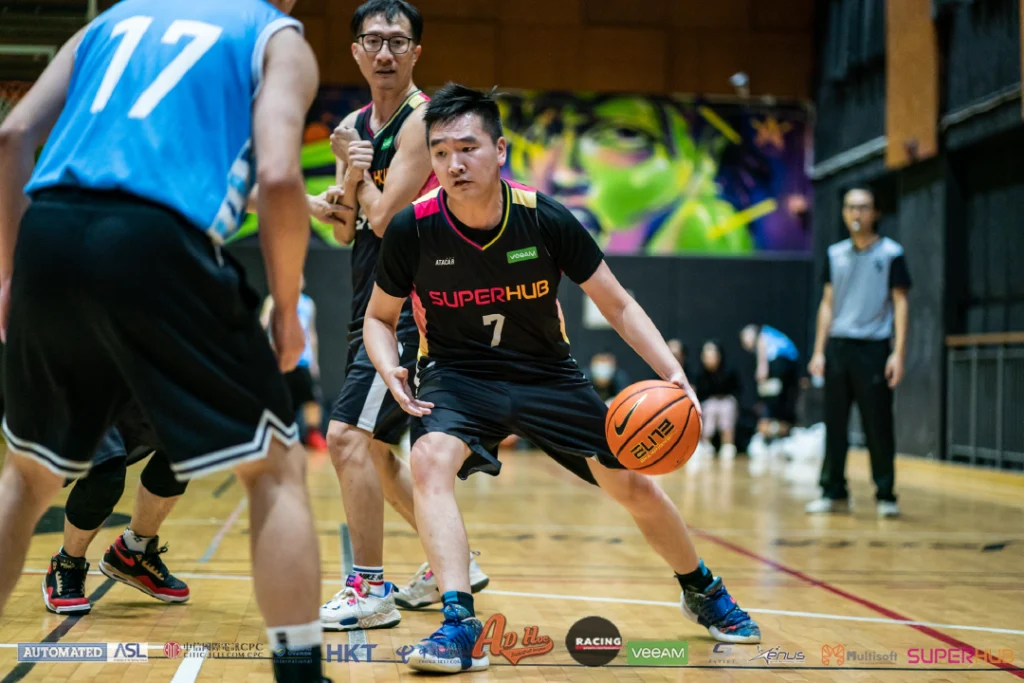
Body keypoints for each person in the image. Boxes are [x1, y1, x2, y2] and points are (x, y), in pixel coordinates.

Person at [363, 84, 761, 674]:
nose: (454, 164)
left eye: (468, 148)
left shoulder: (544, 218)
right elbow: (378, 317)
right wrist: (388, 365)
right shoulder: (412, 229)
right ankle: (459, 625)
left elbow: (618, 304)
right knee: (428, 461)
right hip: (457, 374)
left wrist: (672, 372)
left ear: (500, 150)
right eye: (441, 152)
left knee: (634, 487)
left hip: (547, 375)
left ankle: (701, 587)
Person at [0, 1, 327, 681]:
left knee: (28, 476)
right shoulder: (274, 36)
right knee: (274, 468)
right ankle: (301, 672)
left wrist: (8, 275)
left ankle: (128, 547)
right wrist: (287, 306)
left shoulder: (111, 18)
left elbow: (12, 135)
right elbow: (277, 176)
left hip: (49, 236)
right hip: (158, 242)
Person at [315, 0, 488, 631]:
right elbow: (349, 228)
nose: (384, 52)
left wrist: (359, 173)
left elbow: (387, 216)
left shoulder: (423, 120)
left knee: (347, 439)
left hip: (411, 307)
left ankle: (368, 588)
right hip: (368, 299)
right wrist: (335, 194)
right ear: (356, 51)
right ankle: (455, 564)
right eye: (373, 40)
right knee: (377, 454)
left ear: (416, 51)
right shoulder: (352, 126)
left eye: (397, 41)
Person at [806, 187, 910, 518]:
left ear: (875, 213)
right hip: (839, 346)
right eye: (851, 207)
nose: (856, 213)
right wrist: (819, 351)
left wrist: (898, 353)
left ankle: (885, 493)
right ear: (843, 212)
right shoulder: (835, 254)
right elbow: (827, 303)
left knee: (878, 425)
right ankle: (832, 490)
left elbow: (901, 303)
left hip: (874, 348)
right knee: (834, 424)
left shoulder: (891, 253)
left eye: (863, 207)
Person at [44, 405, 189, 614]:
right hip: (83, 393)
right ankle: (67, 563)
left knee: (184, 450)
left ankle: (134, 551)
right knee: (106, 471)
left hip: (136, 389)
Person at [262, 277, 327, 451]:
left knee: (311, 399)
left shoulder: (308, 303)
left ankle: (313, 433)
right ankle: (277, 435)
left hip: (303, 360)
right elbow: (264, 324)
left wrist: (314, 362)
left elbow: (311, 333)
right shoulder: (274, 298)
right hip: (280, 360)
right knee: (280, 398)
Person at [740, 324, 801, 450]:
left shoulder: (762, 337)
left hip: (782, 366)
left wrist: (761, 372)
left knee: (772, 400)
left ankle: (772, 433)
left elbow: (762, 366)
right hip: (790, 368)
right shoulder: (771, 334)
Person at [694, 340, 741, 459]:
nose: (710, 359)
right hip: (708, 403)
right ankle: (706, 443)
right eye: (707, 356)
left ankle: (728, 444)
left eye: (713, 355)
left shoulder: (729, 372)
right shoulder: (700, 375)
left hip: (726, 401)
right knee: (710, 409)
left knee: (727, 408)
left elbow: (736, 391)